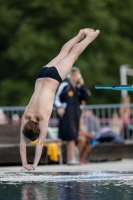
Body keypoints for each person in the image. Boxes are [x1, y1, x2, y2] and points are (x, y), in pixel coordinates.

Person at [20, 28, 100, 171]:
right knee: (62, 53)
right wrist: (24, 163)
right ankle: (79, 35)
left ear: (37, 128)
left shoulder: (42, 117)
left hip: (53, 78)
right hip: (42, 74)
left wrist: (34, 165)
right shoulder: (26, 115)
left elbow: (39, 144)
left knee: (73, 55)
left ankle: (89, 37)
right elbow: (22, 144)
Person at [54, 67, 90, 164]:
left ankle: (74, 158)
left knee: (74, 136)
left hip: (76, 115)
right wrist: (59, 107)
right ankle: (71, 159)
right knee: (70, 136)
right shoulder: (65, 86)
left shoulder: (79, 89)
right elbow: (56, 98)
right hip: (67, 115)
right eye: (72, 75)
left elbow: (86, 97)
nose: (74, 77)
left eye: (76, 75)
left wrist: (82, 84)